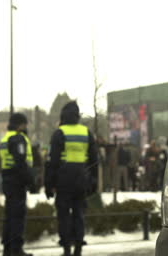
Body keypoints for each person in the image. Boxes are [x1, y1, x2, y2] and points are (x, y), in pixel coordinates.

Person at [45, 101, 98, 256]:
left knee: (63, 214)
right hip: (81, 179)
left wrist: (49, 184)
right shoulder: (86, 132)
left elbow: (52, 161)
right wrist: (93, 181)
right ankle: (78, 247)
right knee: (79, 213)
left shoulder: (59, 133)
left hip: (63, 180)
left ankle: (66, 247)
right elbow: (94, 160)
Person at [0, 113, 35, 256]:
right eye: (24, 124)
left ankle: (7, 249)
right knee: (17, 216)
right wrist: (30, 180)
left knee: (9, 215)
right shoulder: (17, 138)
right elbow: (20, 162)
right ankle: (16, 249)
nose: (26, 127)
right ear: (20, 124)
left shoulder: (5, 138)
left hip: (8, 178)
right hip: (17, 180)